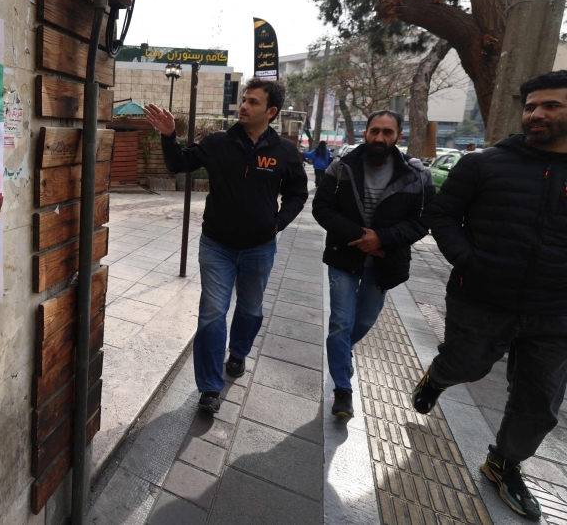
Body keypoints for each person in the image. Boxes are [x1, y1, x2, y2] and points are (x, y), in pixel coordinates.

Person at [414, 70, 567, 521]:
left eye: (550, 105)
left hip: (555, 312)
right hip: (480, 298)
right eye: (531, 106)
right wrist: (469, 260)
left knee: (540, 401)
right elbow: (442, 216)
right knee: (468, 365)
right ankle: (439, 376)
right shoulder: (484, 164)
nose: (535, 113)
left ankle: (504, 463)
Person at [143, 78, 309, 414]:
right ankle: (208, 386)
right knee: (212, 313)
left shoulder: (285, 151)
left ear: (271, 111)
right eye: (243, 100)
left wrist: (278, 223)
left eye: (253, 102)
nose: (244, 106)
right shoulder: (219, 142)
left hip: (259, 248)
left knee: (250, 309)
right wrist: (168, 135)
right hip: (216, 244)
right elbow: (179, 164)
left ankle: (239, 352)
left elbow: (298, 193)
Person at [311, 111, 435, 418]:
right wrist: (360, 237)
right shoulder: (342, 168)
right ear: (365, 133)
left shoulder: (417, 175)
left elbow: (424, 221)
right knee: (341, 321)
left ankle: (341, 351)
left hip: (384, 264)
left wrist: (382, 238)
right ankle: (343, 389)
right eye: (375, 131)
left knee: (363, 321)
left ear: (398, 136)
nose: (380, 137)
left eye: (387, 132)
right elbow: (322, 208)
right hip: (345, 256)